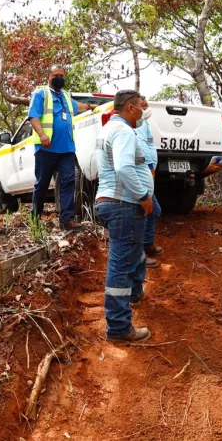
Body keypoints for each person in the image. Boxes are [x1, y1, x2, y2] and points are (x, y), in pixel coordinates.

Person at [95, 89, 154, 343]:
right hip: (124, 205)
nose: (143, 112)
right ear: (130, 108)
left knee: (132, 254)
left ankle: (133, 294)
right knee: (119, 264)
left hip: (115, 204)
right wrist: (143, 196)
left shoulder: (110, 129)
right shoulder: (123, 132)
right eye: (141, 107)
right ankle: (118, 327)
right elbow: (123, 168)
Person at [29, 65, 94, 230]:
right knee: (42, 185)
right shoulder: (41, 93)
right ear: (49, 77)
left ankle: (67, 220)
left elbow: (76, 105)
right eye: (56, 75)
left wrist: (89, 107)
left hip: (67, 149)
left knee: (68, 182)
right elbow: (33, 116)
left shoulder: (65, 96)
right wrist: (42, 135)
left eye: (62, 75)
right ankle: (35, 219)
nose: (59, 78)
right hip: (46, 148)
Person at [135, 97, 163, 268]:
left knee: (153, 210)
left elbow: (150, 146)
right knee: (147, 211)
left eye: (146, 104)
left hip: (148, 171)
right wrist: (147, 166)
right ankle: (140, 253)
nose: (146, 107)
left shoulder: (145, 123)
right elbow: (139, 150)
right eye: (143, 104)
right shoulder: (134, 126)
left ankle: (147, 244)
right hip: (141, 171)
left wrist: (153, 167)